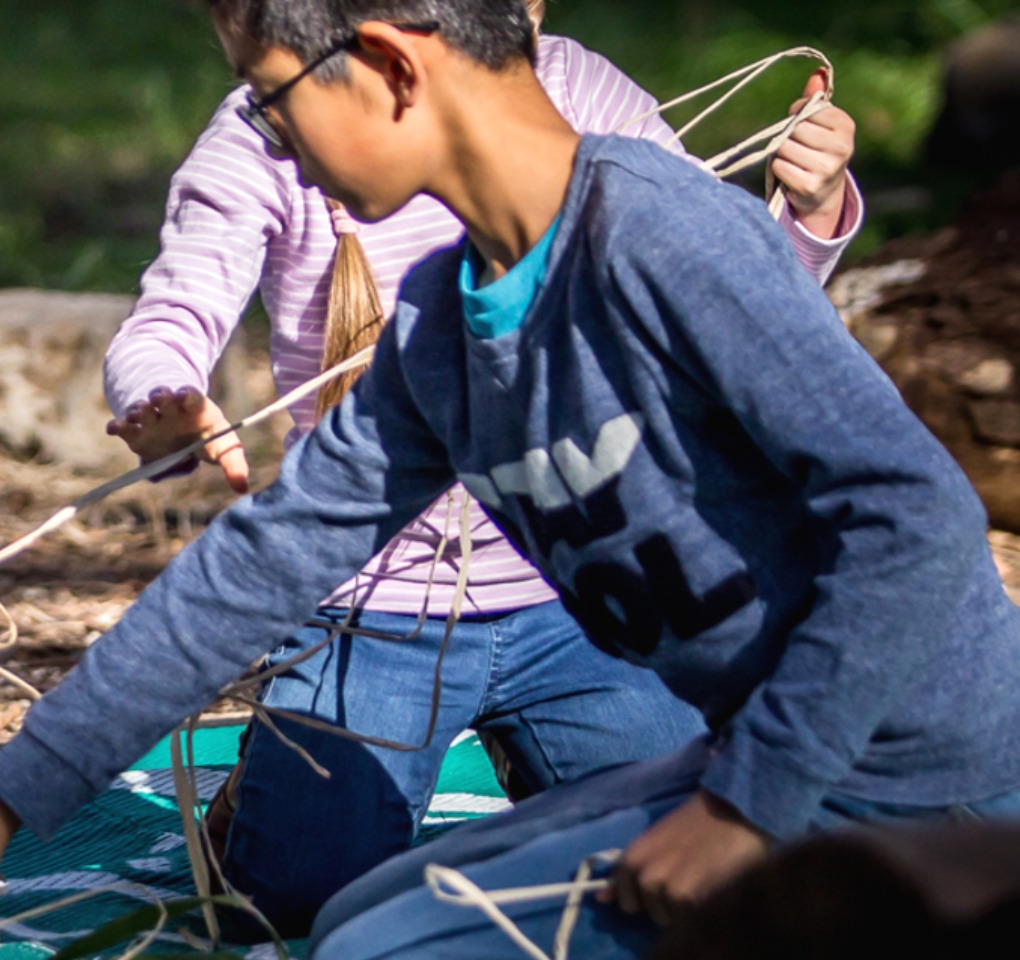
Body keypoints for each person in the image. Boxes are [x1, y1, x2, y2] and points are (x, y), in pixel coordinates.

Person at [0, 1, 1020, 957]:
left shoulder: (658, 230)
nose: (266, 131)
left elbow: (915, 520)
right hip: (761, 758)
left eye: (270, 96)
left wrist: (742, 810)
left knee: (387, 951)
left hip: (930, 785)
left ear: (393, 66)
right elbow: (255, 564)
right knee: (355, 917)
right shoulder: (443, 333)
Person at [92, 0, 864, 933]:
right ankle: (256, 804)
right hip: (367, 608)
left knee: (692, 858)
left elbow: (714, 300)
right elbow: (176, 308)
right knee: (300, 900)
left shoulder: (585, 93)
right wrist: (161, 395)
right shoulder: (280, 122)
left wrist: (809, 214)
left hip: (581, 594)